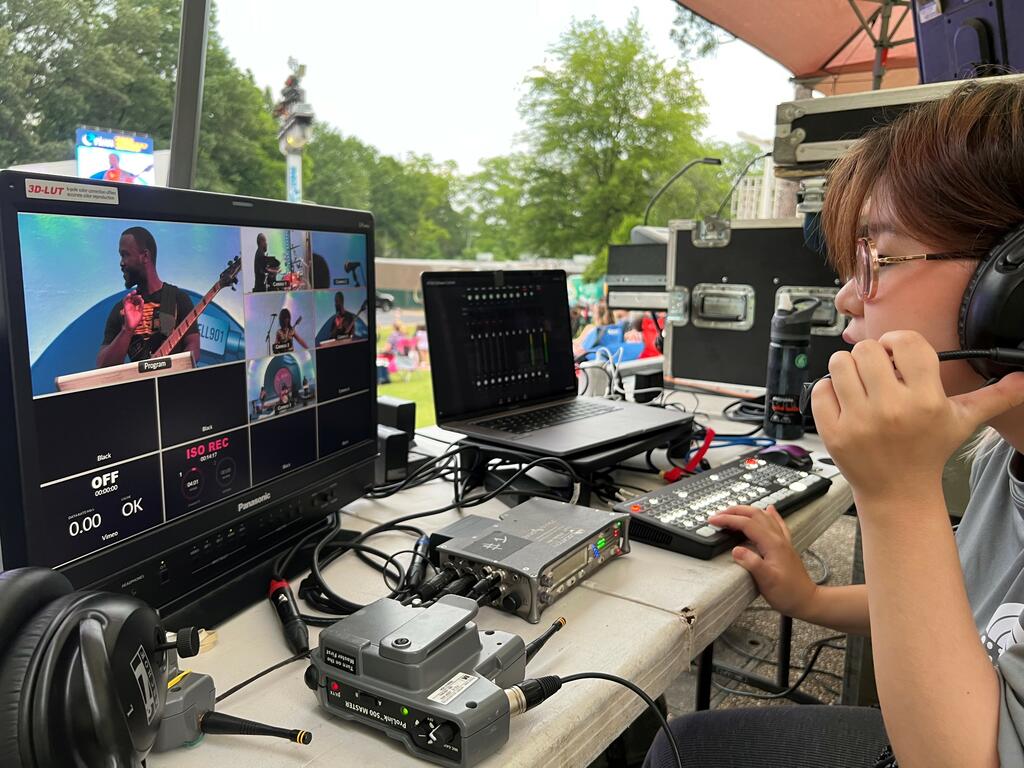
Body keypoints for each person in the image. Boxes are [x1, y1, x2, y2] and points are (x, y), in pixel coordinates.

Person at [644, 80, 1024, 768]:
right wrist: (811, 598)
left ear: (1012, 286)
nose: (847, 292)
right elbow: (954, 601)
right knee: (686, 746)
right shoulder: (1007, 452)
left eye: (878, 256)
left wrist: (895, 494)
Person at [97, 226, 201, 367]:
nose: (121, 263)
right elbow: (103, 366)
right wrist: (127, 330)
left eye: (125, 255)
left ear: (145, 256)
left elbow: (193, 348)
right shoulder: (122, 309)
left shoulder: (177, 299)